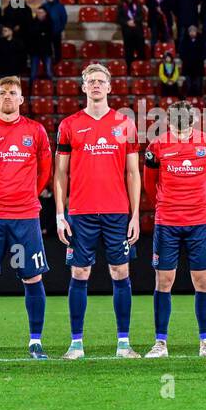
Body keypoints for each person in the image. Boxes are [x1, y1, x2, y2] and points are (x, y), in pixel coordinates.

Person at [53, 63, 142, 359]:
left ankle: (123, 343)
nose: (95, 85)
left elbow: (133, 173)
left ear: (109, 87)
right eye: (90, 81)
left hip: (117, 212)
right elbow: (60, 174)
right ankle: (76, 343)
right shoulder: (69, 125)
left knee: (120, 272)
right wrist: (60, 214)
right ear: (82, 87)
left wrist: (135, 215)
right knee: (80, 272)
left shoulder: (125, 124)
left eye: (100, 81)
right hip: (81, 212)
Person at [0, 76, 54, 360]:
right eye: (2, 92)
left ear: (21, 99)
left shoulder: (36, 131)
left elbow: (44, 172)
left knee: (33, 277)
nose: (7, 96)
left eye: (12, 92)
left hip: (26, 216)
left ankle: (35, 342)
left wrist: (28, 195)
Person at [141, 102, 206, 358]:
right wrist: (168, 205)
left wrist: (199, 204)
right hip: (167, 222)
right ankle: (160, 343)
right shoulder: (157, 146)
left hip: (199, 222)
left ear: (194, 120)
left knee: (203, 281)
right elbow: (149, 184)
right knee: (164, 281)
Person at [29, 6, 56, 80]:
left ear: (45, 13)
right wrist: (41, 34)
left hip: (46, 50)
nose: (39, 14)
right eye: (38, 12)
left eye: (41, 12)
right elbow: (31, 35)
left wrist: (40, 34)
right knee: (33, 73)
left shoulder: (50, 23)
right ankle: (31, 90)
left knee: (48, 72)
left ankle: (50, 89)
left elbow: (50, 36)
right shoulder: (33, 22)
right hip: (35, 51)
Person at [179, 23, 206, 96]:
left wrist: (199, 59)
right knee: (189, 85)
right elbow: (181, 53)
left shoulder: (201, 40)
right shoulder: (184, 41)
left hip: (198, 67)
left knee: (198, 85)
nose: (192, 33)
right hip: (188, 67)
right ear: (188, 32)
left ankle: (199, 100)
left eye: (194, 31)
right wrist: (186, 60)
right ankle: (189, 100)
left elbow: (204, 53)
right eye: (191, 31)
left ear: (196, 32)